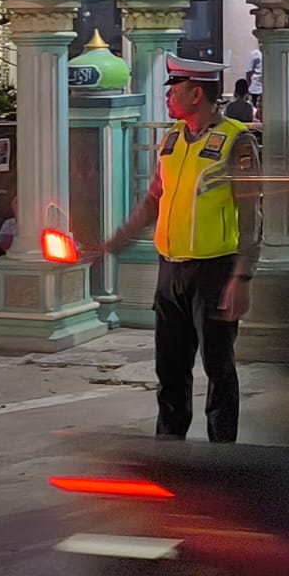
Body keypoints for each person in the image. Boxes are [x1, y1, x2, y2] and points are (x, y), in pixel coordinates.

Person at [104, 55, 262, 443]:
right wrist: (116, 240)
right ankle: (169, 449)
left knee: (218, 368)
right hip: (170, 270)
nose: (168, 98)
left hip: (215, 271)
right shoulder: (172, 139)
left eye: (174, 90)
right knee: (170, 369)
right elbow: (153, 200)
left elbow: (250, 215)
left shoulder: (236, 140)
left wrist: (242, 276)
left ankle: (221, 453)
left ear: (196, 94)